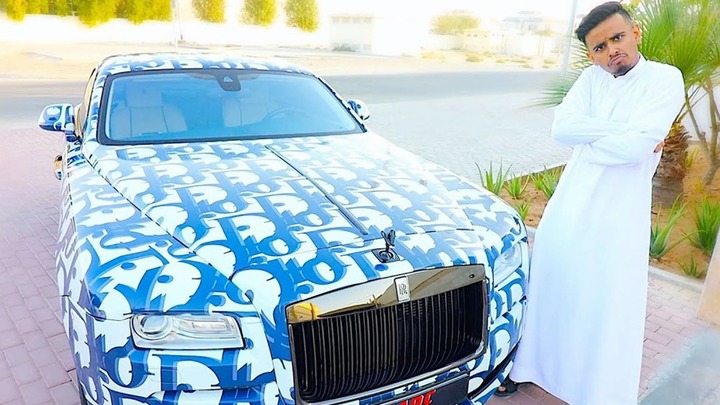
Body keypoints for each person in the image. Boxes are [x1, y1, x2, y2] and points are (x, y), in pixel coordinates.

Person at [496, 2, 685, 404]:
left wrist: (604, 140)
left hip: (619, 213)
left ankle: (593, 391)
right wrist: (626, 132)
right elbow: (563, 129)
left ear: (635, 33)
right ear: (591, 54)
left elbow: (633, 149)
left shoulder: (665, 78)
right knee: (552, 287)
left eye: (617, 37)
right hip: (569, 205)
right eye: (600, 47)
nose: (611, 50)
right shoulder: (590, 79)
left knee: (604, 302)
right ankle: (531, 369)